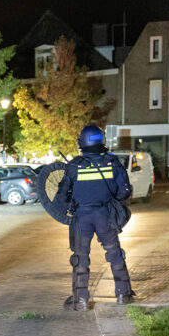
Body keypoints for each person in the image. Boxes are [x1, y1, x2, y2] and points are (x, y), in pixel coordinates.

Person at [59, 125, 135, 311]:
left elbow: (61, 195)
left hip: (82, 217)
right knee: (114, 253)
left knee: (80, 257)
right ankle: (123, 294)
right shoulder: (112, 162)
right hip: (105, 216)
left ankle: (81, 300)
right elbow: (124, 191)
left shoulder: (74, 165)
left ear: (82, 141)